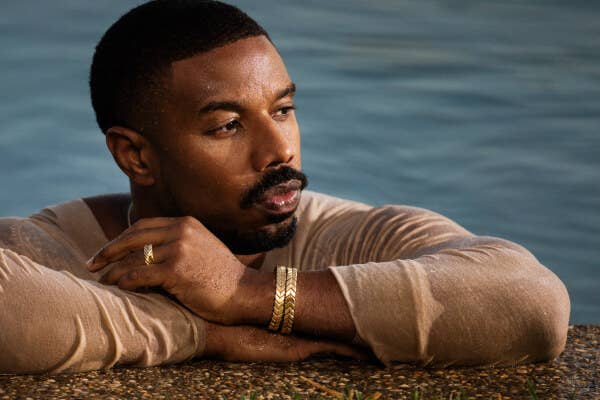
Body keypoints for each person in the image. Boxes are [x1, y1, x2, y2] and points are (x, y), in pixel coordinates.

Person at [0, 0, 570, 374]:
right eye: (227, 125)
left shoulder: (351, 235)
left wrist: (246, 294)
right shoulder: (58, 249)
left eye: (283, 108)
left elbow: (532, 303)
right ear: (136, 155)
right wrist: (206, 332)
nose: (280, 150)